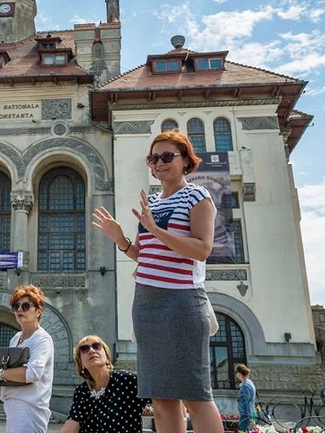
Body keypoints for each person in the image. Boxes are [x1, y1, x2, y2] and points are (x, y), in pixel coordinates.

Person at [92, 129, 224, 433]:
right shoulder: (151, 201)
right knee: (162, 401)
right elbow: (145, 255)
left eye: (167, 156)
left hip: (182, 302)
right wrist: (121, 239)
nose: (159, 163)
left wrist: (156, 229)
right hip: (147, 303)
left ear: (185, 160)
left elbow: (202, 249)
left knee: (195, 395)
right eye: (153, 158)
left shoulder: (198, 196)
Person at [0, 284, 54, 433]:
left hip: (29, 408)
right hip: (12, 406)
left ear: (38, 311)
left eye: (25, 306)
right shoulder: (16, 338)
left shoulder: (42, 339)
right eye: (16, 306)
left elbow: (33, 373)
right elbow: (11, 372)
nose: (19, 309)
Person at [60, 335, 147, 433]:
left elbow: (159, 397)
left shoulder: (126, 380)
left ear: (106, 356)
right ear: (81, 363)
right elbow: (72, 424)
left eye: (96, 346)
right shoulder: (82, 392)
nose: (91, 351)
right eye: (84, 349)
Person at [236, 364, 256, 432]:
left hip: (246, 414)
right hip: (249, 413)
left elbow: (248, 402)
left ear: (239, 374)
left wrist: (250, 419)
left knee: (242, 431)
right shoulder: (249, 382)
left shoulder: (245, 386)